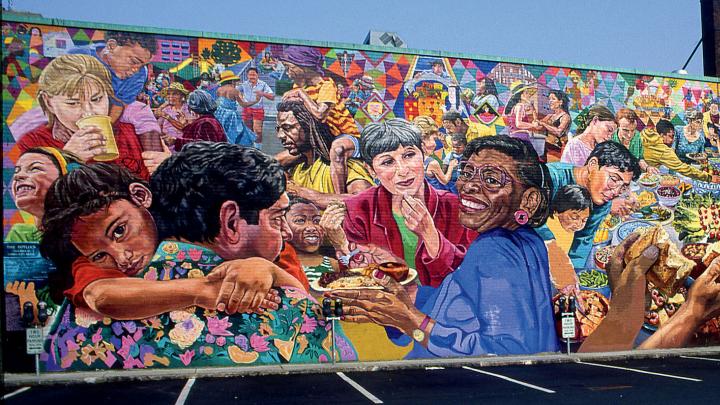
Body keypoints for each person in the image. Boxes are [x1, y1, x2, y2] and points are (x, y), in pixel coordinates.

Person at [40, 144, 356, 370]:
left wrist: (268, 270)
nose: (122, 258)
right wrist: (204, 290)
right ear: (231, 222)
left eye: (120, 231)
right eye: (276, 218)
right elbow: (100, 295)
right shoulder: (277, 308)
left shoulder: (67, 320)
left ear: (143, 198)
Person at [329, 136, 559, 357]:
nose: (468, 186)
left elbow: (504, 352)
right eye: (467, 173)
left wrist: (410, 320)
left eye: (491, 180)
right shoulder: (523, 239)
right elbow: (466, 303)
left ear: (529, 200)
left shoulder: (494, 249)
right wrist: (410, 295)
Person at [323, 119, 476, 288]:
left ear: (424, 154)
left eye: (409, 155)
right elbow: (357, 280)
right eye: (387, 162)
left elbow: (468, 277)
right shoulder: (358, 209)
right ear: (371, 170)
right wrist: (342, 245)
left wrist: (430, 234)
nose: (403, 171)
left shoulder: (454, 206)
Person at [9, 31, 163, 143]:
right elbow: (56, 92)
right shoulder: (76, 55)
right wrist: (57, 121)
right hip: (73, 100)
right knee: (26, 122)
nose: (136, 69)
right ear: (111, 46)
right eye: (134, 61)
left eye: (142, 64)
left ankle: (155, 165)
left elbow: (119, 104)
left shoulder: (138, 74)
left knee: (144, 114)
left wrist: (104, 127)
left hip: (110, 103)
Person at [15, 54, 150, 180]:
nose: (89, 112)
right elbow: (34, 199)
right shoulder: (33, 143)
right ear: (48, 102)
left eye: (97, 99)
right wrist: (67, 158)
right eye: (73, 103)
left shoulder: (129, 134)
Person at [537, 142, 642, 268]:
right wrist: (558, 260)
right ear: (592, 165)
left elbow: (583, 241)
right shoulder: (551, 177)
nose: (616, 192)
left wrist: (574, 274)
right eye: (614, 180)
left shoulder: (603, 200)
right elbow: (531, 222)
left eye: (623, 187)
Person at [279, 46, 361, 194]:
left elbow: (320, 115)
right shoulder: (299, 87)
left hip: (345, 136)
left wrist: (300, 94)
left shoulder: (327, 85)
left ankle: (339, 197)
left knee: (337, 150)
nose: (288, 73)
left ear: (302, 66)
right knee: (278, 160)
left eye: (289, 68)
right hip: (322, 139)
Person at [276, 100, 373, 208]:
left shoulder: (347, 167)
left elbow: (366, 201)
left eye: (288, 128)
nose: (280, 135)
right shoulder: (297, 168)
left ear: (309, 126)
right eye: (278, 129)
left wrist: (305, 194)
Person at [6, 148, 82, 242]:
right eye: (17, 171)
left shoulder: (86, 232)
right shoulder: (20, 234)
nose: (17, 176)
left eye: (35, 168)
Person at [543, 185, 592, 292]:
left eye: (584, 220)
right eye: (574, 217)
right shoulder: (549, 230)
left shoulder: (568, 227)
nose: (579, 224)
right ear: (557, 211)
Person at [641, 119, 718, 183]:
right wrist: (709, 178)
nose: (672, 140)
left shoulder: (644, 134)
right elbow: (683, 168)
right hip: (647, 180)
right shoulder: (664, 150)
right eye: (670, 136)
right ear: (661, 135)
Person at [285, 196, 339, 283]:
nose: (311, 227)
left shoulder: (333, 265)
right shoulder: (278, 264)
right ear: (283, 227)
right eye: (300, 220)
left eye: (317, 221)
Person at [214, 71, 256, 147]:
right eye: (234, 81)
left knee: (221, 130)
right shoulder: (235, 91)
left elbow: (218, 102)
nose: (235, 83)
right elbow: (243, 104)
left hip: (220, 113)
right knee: (235, 131)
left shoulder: (219, 90)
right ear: (231, 81)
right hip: (231, 115)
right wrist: (255, 101)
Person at [611, 108, 658, 174]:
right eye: (625, 130)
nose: (630, 135)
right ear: (617, 126)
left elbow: (639, 159)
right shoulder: (610, 137)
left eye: (633, 130)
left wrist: (647, 168)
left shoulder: (637, 136)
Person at [505, 82, 544, 155]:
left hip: (515, 136)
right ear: (521, 95)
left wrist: (532, 108)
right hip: (521, 137)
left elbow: (534, 118)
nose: (528, 95)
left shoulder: (515, 107)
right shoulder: (520, 106)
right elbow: (519, 124)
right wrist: (533, 125)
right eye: (526, 93)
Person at [239, 67, 274, 149]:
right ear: (247, 75)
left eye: (254, 74)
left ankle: (258, 149)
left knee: (258, 131)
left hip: (258, 109)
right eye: (250, 75)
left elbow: (272, 96)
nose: (252, 77)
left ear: (257, 75)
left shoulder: (263, 84)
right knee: (248, 130)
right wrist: (241, 97)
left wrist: (262, 93)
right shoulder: (244, 84)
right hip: (246, 109)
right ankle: (249, 148)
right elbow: (237, 91)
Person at [416, 117, 455, 191]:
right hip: (438, 195)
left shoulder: (414, 160)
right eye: (434, 139)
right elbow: (444, 181)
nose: (435, 144)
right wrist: (451, 166)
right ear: (423, 139)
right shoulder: (432, 163)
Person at [155, 82, 194, 147]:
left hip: (182, 144)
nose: (170, 96)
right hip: (167, 145)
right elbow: (158, 126)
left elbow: (187, 129)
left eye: (174, 94)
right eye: (168, 94)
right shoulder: (166, 109)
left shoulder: (188, 109)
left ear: (182, 96)